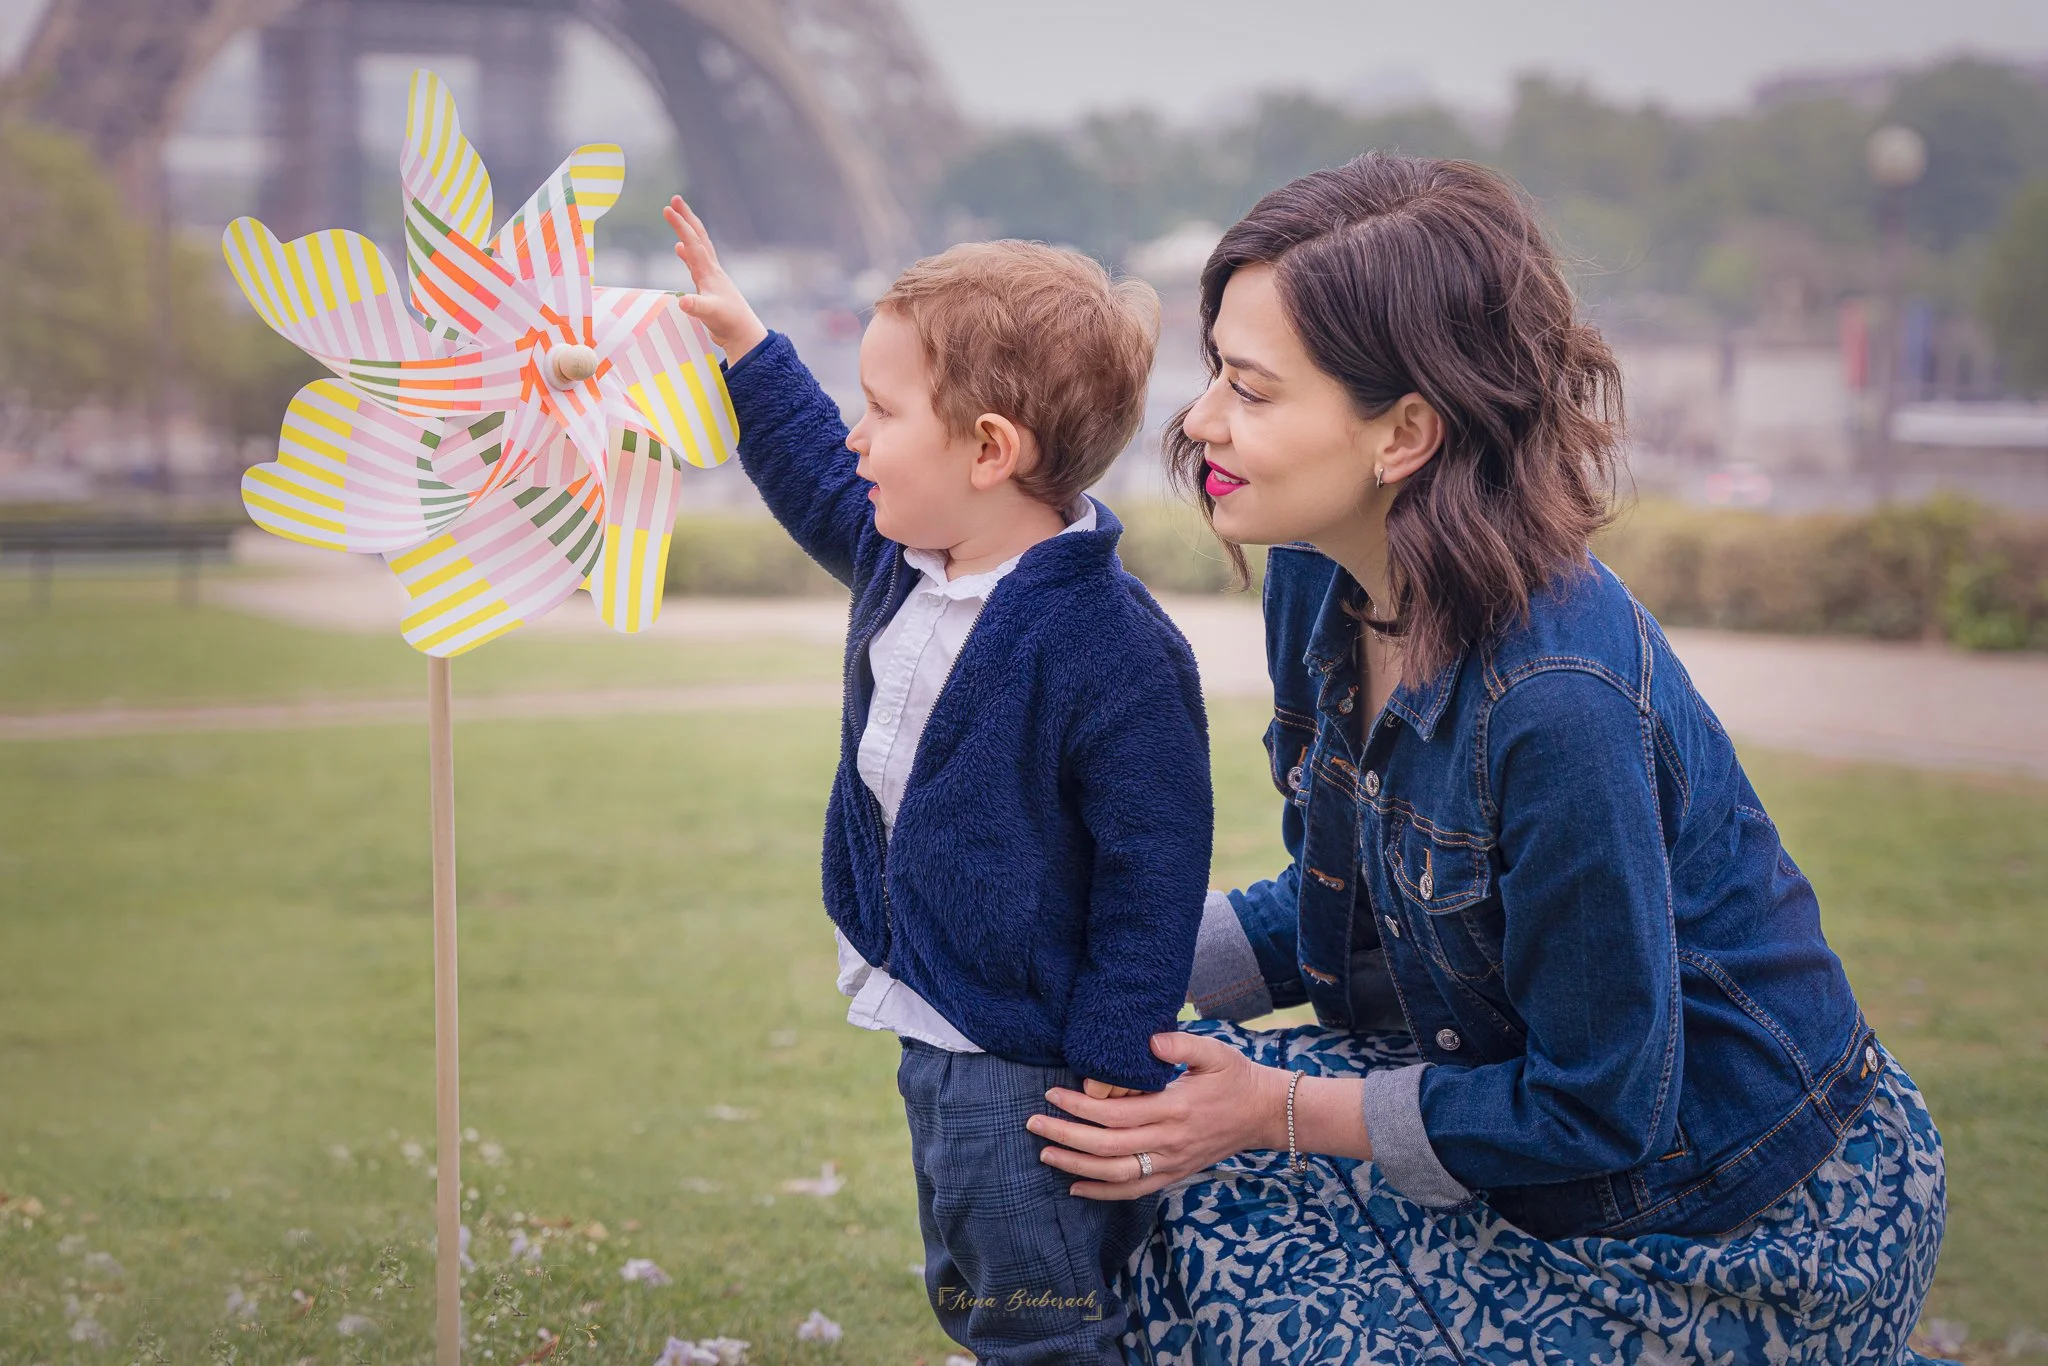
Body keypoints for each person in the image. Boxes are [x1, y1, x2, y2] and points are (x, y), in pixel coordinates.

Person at [1022, 154, 1952, 1365]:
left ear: (1404, 430)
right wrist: (1085, 952)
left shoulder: (1553, 698)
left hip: (1732, 1212)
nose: (1197, 422)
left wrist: (1270, 1109)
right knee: (1102, 1137)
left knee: (1219, 1274)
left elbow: (1596, 1102)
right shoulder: (1319, 574)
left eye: (1249, 390)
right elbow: (1345, 907)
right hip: (1517, 1120)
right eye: (1213, 373)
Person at [663, 197, 1213, 1364]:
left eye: (880, 407)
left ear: (987, 449)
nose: (856, 435)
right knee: (971, 1280)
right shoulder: (906, 557)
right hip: (932, 1006)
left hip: (1027, 1059)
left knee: (1043, 1310)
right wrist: (746, 348)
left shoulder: (1111, 646)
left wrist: (1119, 1058)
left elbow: (1151, 871)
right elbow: (816, 469)